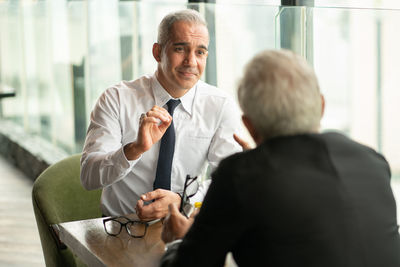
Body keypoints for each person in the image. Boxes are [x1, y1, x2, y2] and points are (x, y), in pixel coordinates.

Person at [160, 49, 400, 267]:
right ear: (322, 105)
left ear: (249, 126)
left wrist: (178, 240)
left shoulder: (240, 176)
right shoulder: (372, 161)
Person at [80, 9, 243, 220]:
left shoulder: (220, 105)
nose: (191, 61)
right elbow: (88, 177)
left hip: (186, 225)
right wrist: (134, 149)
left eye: (200, 52)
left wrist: (183, 201)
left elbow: (229, 180)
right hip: (122, 229)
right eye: (180, 49)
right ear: (157, 52)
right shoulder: (116, 99)